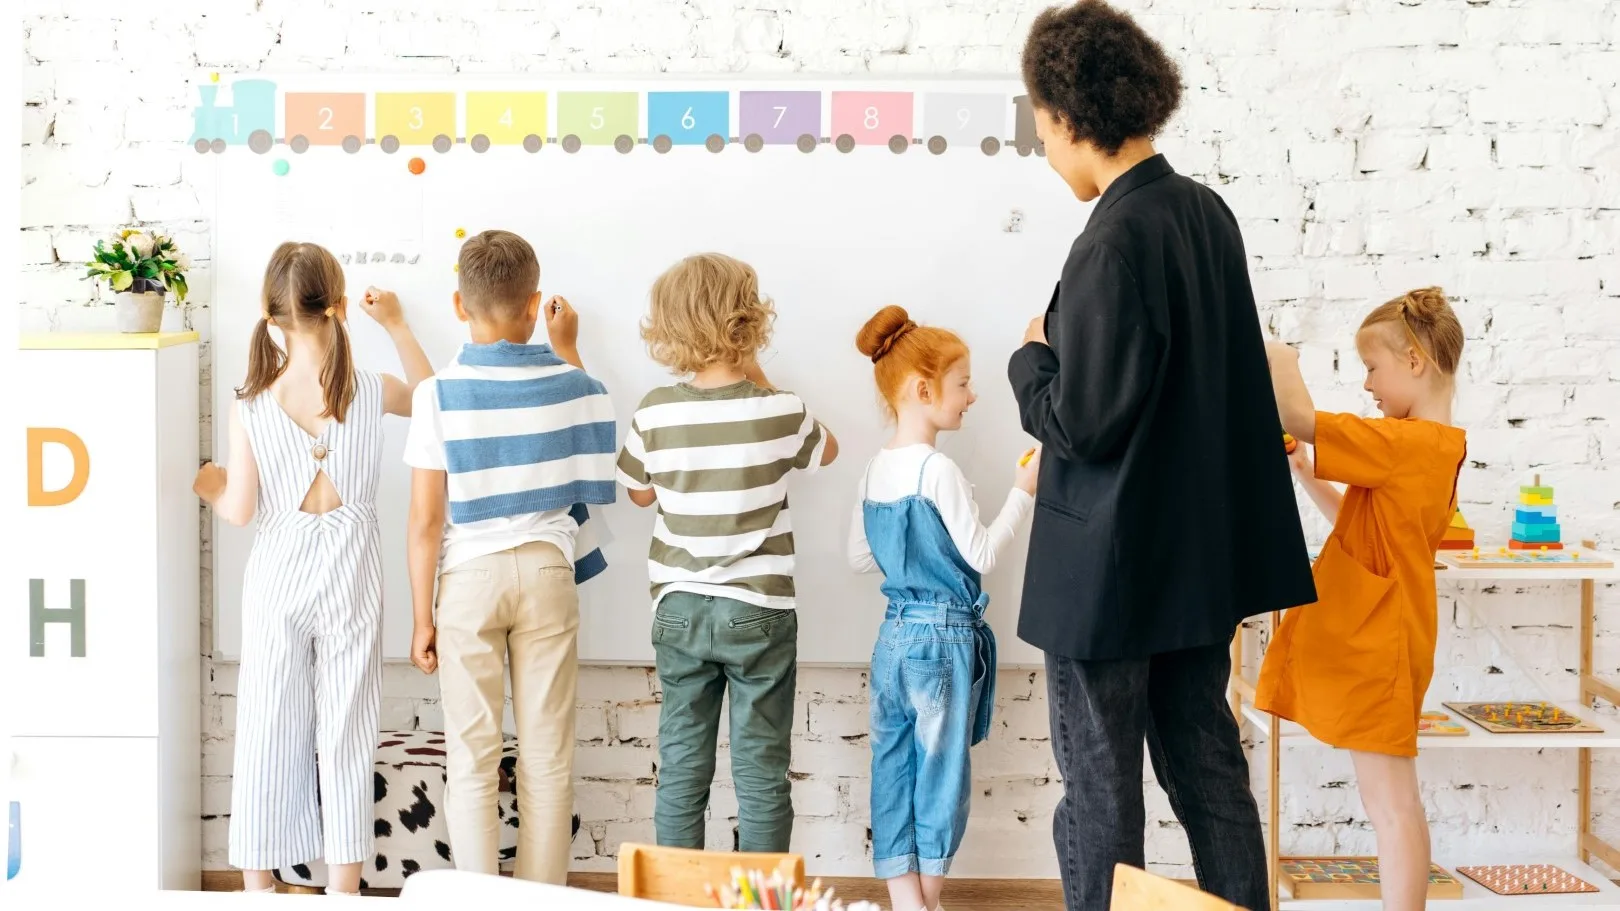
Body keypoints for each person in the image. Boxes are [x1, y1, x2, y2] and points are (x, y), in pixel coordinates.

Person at [1009, 2, 1317, 908]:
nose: (1042, 141)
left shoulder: (1111, 238)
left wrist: (1032, 355)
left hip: (1109, 579)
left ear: (1069, 116)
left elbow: (1083, 424)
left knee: (1101, 790)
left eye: (1040, 121)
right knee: (1208, 766)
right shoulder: (1205, 214)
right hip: (1194, 567)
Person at [193, 242, 432, 895]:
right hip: (352, 576)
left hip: (278, 576)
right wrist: (398, 325)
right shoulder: (369, 390)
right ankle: (344, 887)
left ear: (272, 318)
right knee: (347, 729)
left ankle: (258, 884)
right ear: (341, 307)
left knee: (268, 723)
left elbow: (240, 509)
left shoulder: (253, 404)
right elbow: (429, 393)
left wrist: (208, 484)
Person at [403, 230, 617, 884]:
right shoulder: (574, 382)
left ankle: (476, 898)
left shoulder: (437, 393)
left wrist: (422, 617)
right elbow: (586, 432)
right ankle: (542, 898)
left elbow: (425, 521)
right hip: (548, 574)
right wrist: (567, 344)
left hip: (469, 578)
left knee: (472, 756)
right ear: (534, 303)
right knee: (547, 756)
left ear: (458, 304)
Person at [616, 252, 838, 853]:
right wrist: (754, 372)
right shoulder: (780, 409)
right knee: (762, 773)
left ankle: (674, 898)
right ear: (749, 324)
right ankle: (758, 901)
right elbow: (829, 452)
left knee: (683, 768)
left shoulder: (656, 410)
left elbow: (639, 495)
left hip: (681, 608)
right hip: (760, 610)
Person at [1257, 288, 1467, 911]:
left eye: (1373, 368)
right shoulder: (1427, 446)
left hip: (1384, 646)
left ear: (1415, 361)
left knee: (1392, 806)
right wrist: (1304, 470)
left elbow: (1297, 415)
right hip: (1382, 641)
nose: (1370, 386)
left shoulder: (1409, 444)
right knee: (1387, 802)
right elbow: (1357, 522)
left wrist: (1279, 354)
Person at [847, 306, 1038, 911]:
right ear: (922, 390)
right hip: (943, 643)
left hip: (893, 640)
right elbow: (980, 550)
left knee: (893, 765)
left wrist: (909, 563)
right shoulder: (938, 470)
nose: (972, 396)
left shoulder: (874, 469)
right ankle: (925, 900)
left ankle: (905, 897)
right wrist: (1022, 493)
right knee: (941, 775)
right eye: (963, 384)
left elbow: (858, 557)